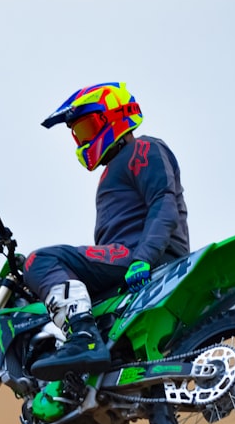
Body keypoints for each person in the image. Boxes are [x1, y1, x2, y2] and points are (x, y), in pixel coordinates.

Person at [24, 82, 190, 381]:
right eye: (78, 134)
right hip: (134, 256)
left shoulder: (142, 148)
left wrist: (145, 257)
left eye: (87, 129)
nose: (83, 140)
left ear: (115, 116)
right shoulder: (114, 168)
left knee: (40, 261)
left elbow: (162, 203)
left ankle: (83, 337)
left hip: (141, 254)